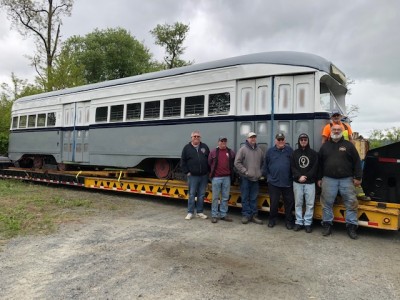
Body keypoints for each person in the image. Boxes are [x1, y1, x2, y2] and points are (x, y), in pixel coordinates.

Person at [317, 124, 362, 239]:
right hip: (328, 179)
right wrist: (319, 178)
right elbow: (319, 164)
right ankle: (327, 225)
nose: (336, 131)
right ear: (330, 131)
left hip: (346, 180)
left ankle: (351, 227)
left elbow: (357, 162)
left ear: (342, 131)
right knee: (326, 203)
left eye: (338, 130)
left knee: (351, 203)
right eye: (334, 129)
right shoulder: (324, 146)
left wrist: (358, 177)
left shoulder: (349, 146)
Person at [263, 133, 295, 229]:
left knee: (289, 203)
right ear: (275, 141)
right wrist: (268, 177)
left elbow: (294, 165)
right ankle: (272, 220)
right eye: (279, 140)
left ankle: (289, 222)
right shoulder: (270, 151)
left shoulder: (290, 151)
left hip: (287, 182)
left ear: (285, 140)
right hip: (274, 183)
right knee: (274, 203)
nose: (280, 141)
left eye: (282, 139)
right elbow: (265, 166)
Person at [234, 132, 264, 225]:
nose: (253, 139)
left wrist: (260, 172)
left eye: (254, 137)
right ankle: (246, 215)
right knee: (245, 197)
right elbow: (237, 163)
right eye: (251, 137)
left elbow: (263, 163)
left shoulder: (259, 151)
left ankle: (254, 216)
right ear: (247, 139)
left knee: (254, 198)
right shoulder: (243, 149)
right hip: (245, 179)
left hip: (255, 179)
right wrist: (245, 172)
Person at [290, 133, 318, 233]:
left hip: (310, 183)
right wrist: (299, 176)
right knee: (298, 203)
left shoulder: (314, 153)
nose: (303, 141)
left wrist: (306, 177)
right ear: (299, 141)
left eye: (305, 139)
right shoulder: (294, 153)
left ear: (308, 141)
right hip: (297, 182)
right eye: (301, 139)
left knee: (310, 204)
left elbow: (315, 168)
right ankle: (298, 222)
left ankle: (307, 223)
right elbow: (292, 167)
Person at [180, 130, 210, 220]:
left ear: (200, 138)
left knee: (201, 195)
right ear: (191, 138)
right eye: (195, 136)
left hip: (204, 176)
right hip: (192, 176)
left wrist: (208, 171)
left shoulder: (204, 147)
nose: (196, 138)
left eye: (198, 136)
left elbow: (209, 160)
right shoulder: (186, 148)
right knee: (192, 194)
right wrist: (187, 172)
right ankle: (190, 212)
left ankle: (200, 212)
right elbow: (183, 161)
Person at [208, 136, 236, 223]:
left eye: (225, 141)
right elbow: (209, 163)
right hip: (216, 178)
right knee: (215, 198)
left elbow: (233, 162)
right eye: (221, 141)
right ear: (218, 142)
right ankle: (214, 215)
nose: (223, 143)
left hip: (227, 178)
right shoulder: (213, 152)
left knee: (225, 197)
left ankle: (223, 214)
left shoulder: (230, 152)